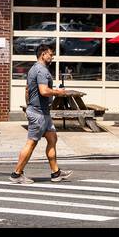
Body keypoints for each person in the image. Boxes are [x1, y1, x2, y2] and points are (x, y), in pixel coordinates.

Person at [9, 44, 73, 185]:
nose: (52, 56)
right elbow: (44, 91)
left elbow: (27, 90)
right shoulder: (41, 71)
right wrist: (58, 92)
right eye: (50, 54)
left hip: (42, 112)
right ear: (43, 54)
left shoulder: (34, 69)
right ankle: (16, 174)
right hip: (39, 113)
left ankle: (55, 173)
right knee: (31, 143)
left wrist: (29, 107)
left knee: (52, 139)